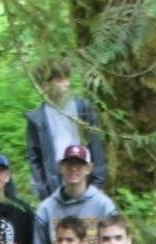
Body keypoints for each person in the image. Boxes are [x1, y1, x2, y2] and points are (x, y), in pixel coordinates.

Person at [25, 58, 106, 201]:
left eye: (67, 77)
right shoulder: (37, 119)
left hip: (83, 174)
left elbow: (95, 145)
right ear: (45, 84)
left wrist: (98, 182)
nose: (66, 84)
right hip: (55, 181)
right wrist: (42, 189)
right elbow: (35, 157)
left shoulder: (83, 109)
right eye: (59, 79)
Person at [33, 144, 116, 244]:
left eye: (79, 164)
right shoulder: (46, 209)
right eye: (69, 164)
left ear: (88, 169)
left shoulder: (104, 206)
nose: (73, 168)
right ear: (61, 168)